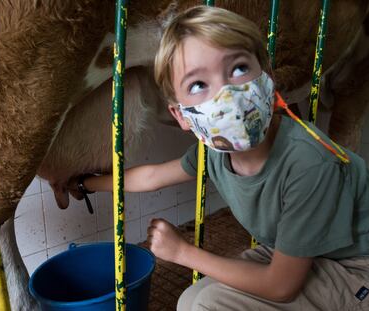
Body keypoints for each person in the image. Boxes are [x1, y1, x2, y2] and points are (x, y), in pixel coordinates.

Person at [70, 6, 369, 310]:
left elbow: (281, 287)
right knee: (189, 301)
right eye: (198, 85)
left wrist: (182, 252)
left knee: (207, 306)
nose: (227, 94)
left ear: (266, 76)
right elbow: (152, 176)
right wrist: (87, 183)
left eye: (238, 69)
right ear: (181, 115)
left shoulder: (308, 163)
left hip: (354, 268)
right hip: (295, 251)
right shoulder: (214, 152)